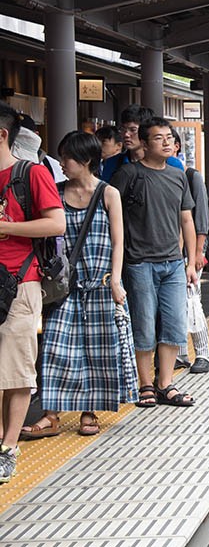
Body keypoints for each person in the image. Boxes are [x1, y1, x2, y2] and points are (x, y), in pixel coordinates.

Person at [21, 132, 137, 440]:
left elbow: (118, 241)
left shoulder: (108, 193)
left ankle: (90, 411)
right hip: (64, 287)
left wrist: (115, 279)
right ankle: (51, 414)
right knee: (56, 349)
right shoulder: (55, 193)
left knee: (98, 351)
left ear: (85, 160)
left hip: (99, 283)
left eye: (66, 158)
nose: (61, 164)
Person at [109, 117, 199, 409]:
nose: (166, 142)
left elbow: (187, 217)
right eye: (158, 138)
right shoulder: (128, 174)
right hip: (139, 262)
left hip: (172, 263)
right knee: (144, 325)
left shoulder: (177, 176)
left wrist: (190, 261)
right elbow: (111, 215)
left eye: (169, 137)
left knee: (174, 324)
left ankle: (166, 384)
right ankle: (145, 383)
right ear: (144, 145)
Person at [0, 103, 65, 484]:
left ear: (3, 134)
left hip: (19, 282)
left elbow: (55, 223)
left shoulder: (31, 173)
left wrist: (6, 229)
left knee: (17, 369)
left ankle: (8, 446)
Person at [172, 130, 209, 374]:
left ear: (177, 146)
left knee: (193, 301)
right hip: (170, 251)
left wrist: (197, 252)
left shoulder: (190, 176)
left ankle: (203, 353)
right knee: (175, 305)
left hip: (189, 249)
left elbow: (201, 218)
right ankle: (180, 353)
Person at [100, 105, 183, 182]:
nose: (126, 134)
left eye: (133, 130)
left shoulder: (172, 164)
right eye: (123, 129)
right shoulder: (113, 163)